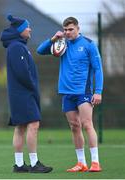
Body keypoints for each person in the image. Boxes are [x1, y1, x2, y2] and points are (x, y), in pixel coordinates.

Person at [37, 17, 103, 172]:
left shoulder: (88, 44)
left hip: (83, 91)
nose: (67, 32)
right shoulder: (62, 44)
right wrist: (53, 39)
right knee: (74, 126)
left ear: (78, 28)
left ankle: (95, 162)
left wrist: (98, 91)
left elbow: (98, 69)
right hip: (66, 92)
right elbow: (40, 50)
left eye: (70, 29)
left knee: (87, 124)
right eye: (65, 29)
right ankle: (81, 163)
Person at [0, 15, 53, 173]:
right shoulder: (17, 47)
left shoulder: (17, 46)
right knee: (33, 124)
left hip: (19, 94)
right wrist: (33, 86)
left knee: (21, 127)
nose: (30, 29)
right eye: (27, 27)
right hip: (23, 93)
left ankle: (19, 165)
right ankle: (34, 163)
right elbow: (23, 73)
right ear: (20, 30)